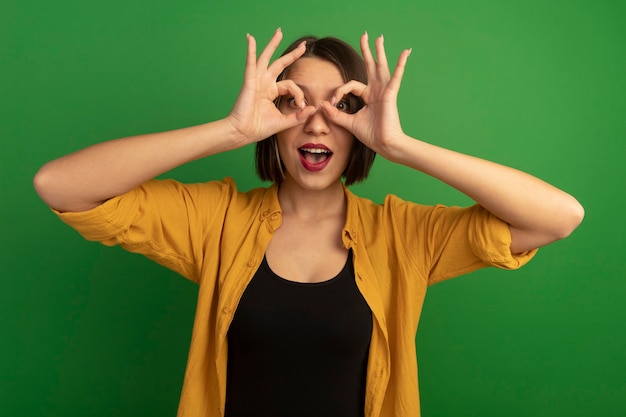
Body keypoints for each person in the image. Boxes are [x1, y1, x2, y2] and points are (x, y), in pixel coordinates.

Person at [33, 28, 584, 417]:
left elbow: (559, 217)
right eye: (294, 103)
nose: (316, 123)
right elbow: (60, 186)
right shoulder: (216, 221)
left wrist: (401, 145)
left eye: (341, 107)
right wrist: (229, 129)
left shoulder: (404, 236)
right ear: (271, 122)